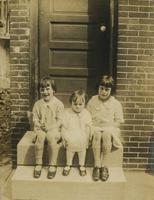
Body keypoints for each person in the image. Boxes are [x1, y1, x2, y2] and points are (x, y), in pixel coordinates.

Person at [87, 75, 124, 181]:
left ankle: (105, 166)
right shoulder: (92, 100)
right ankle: (97, 166)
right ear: (98, 88)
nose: (103, 92)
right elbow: (87, 117)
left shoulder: (115, 103)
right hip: (95, 128)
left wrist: (109, 126)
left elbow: (118, 121)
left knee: (106, 133)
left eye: (107, 89)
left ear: (111, 90)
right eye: (101, 88)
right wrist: (93, 126)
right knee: (98, 134)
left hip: (110, 129)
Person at [32, 76, 64, 179]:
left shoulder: (59, 104)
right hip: (41, 128)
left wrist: (50, 127)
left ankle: (53, 164)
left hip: (53, 128)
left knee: (50, 137)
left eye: (48, 89)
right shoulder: (37, 104)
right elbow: (35, 119)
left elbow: (60, 120)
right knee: (40, 137)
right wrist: (39, 125)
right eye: (42, 90)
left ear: (53, 90)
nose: (45, 92)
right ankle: (38, 163)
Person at [61, 90, 92, 176]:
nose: (77, 106)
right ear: (71, 103)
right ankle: (68, 164)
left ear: (84, 104)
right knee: (69, 150)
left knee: (82, 151)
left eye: (80, 104)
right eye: (75, 104)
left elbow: (88, 127)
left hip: (82, 137)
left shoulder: (86, 114)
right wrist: (63, 137)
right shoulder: (67, 113)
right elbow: (64, 126)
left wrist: (88, 139)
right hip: (70, 136)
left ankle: (81, 165)